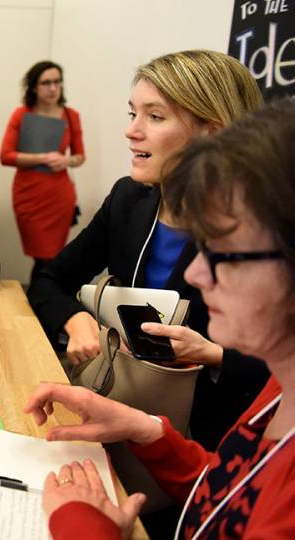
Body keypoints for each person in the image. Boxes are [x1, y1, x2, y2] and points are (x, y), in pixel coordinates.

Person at [26, 98, 295, 540]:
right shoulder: (278, 390)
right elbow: (231, 495)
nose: (195, 272)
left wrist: (85, 528)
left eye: (226, 252)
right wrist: (148, 431)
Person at [27, 50, 269, 454]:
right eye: (132, 113)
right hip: (113, 419)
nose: (132, 131)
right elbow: (48, 282)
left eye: (154, 117)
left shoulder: (263, 233)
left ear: (212, 133)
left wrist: (212, 354)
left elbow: (278, 371)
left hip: (203, 451)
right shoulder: (128, 199)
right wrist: (74, 319)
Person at [0, 60, 86, 283]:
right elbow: (5, 156)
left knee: (53, 257)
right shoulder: (21, 114)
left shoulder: (70, 115)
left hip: (59, 196)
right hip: (29, 195)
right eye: (46, 82)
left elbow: (80, 156)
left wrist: (66, 160)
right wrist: (43, 158)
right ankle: (41, 302)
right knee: (42, 257)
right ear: (34, 87)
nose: (53, 88)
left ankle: (43, 302)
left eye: (57, 82)